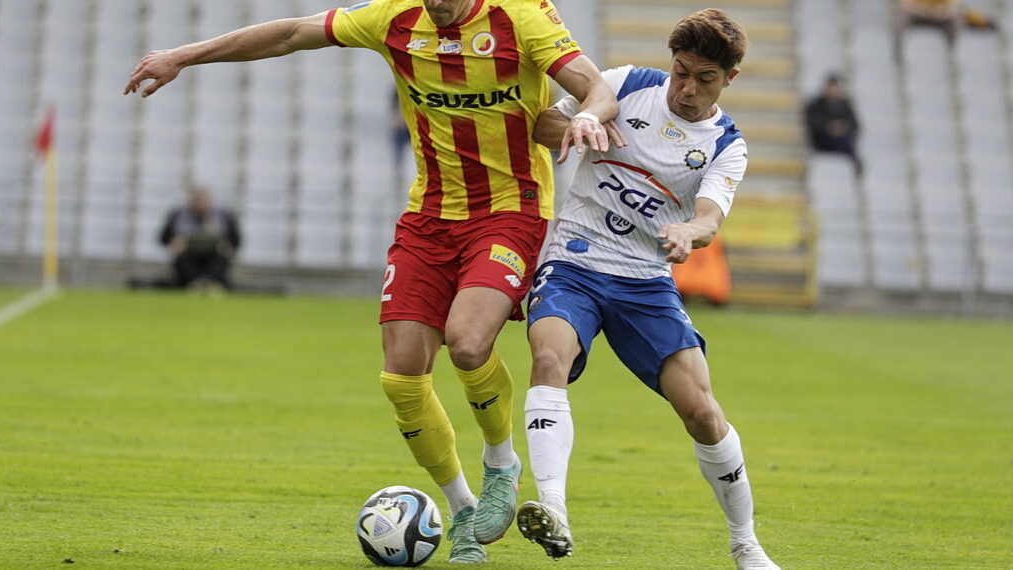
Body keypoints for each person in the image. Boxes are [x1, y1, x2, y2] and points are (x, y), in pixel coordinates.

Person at [124, 0, 619, 563]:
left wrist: (586, 114)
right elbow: (291, 32)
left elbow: (595, 87)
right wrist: (183, 57)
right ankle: (461, 512)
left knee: (468, 341)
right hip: (429, 218)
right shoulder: (394, 17)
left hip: (509, 211)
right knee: (402, 380)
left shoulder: (521, 16)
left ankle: (502, 464)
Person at [516, 9, 780, 570]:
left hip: (645, 281)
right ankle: (553, 508)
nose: (685, 88)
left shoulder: (725, 144)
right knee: (548, 356)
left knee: (703, 413)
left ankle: (745, 542)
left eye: (703, 79)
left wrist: (688, 230)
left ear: (728, 79)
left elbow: (709, 218)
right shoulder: (627, 84)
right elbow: (541, 125)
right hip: (575, 260)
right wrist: (580, 124)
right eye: (680, 72)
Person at [159, 187, 241, 291]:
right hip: (188, 255)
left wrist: (226, 244)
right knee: (182, 261)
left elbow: (236, 240)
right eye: (198, 202)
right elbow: (163, 238)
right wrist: (174, 241)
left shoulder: (223, 215)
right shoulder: (178, 215)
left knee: (221, 260)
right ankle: (194, 284)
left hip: (213, 255)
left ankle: (210, 284)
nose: (201, 206)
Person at [804, 73, 861, 175]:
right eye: (831, 87)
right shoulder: (816, 105)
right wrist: (829, 127)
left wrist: (842, 127)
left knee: (844, 139)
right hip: (823, 141)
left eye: (836, 88)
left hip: (842, 139)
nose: (833, 90)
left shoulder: (845, 106)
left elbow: (855, 125)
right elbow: (812, 123)